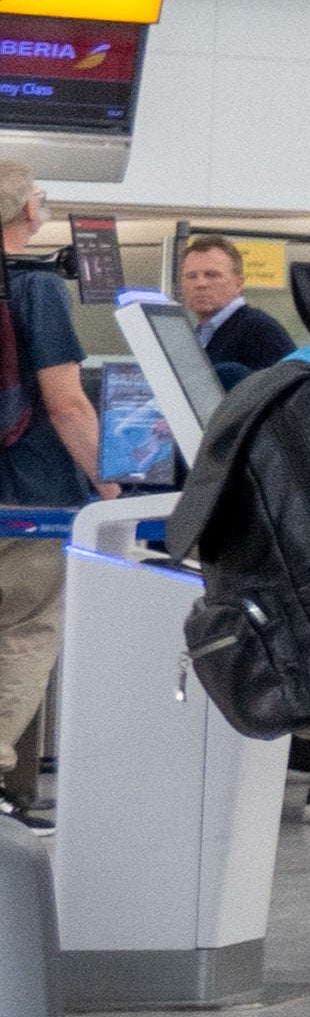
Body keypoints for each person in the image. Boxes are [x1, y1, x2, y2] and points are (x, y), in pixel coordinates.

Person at [0, 174, 89, 818]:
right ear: (30, 210)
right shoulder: (36, 287)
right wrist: (112, 485)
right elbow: (66, 404)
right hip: (31, 495)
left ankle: (16, 792)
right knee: (28, 631)